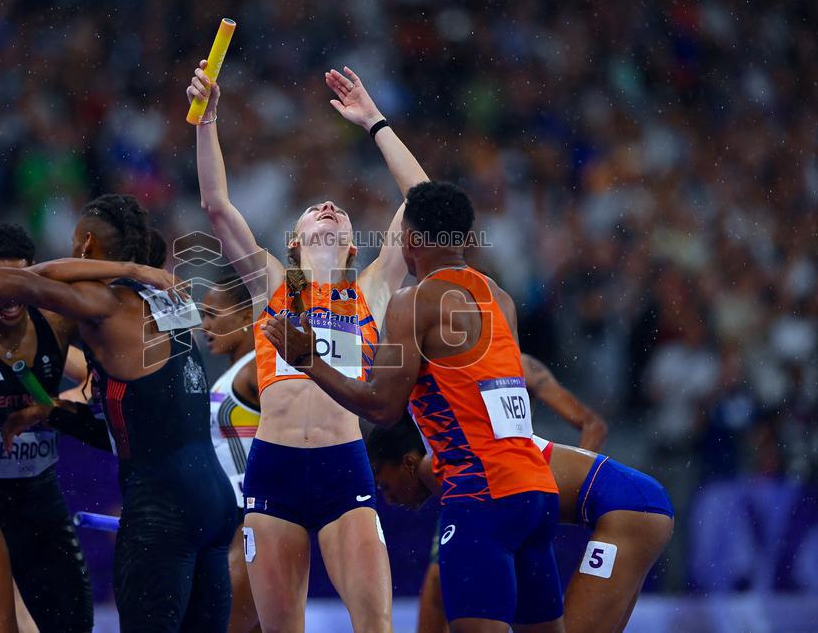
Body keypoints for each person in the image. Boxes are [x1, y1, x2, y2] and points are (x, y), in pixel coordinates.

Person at [0, 195, 239, 633]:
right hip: (210, 497)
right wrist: (53, 410)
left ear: (87, 245)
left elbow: (29, 281)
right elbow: (141, 410)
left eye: (76, 242)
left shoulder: (93, 307)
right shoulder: (161, 299)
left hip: (160, 503)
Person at [262, 181, 564, 633]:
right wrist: (375, 123)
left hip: (481, 493)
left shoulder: (406, 299)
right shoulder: (498, 296)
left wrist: (308, 361)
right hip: (535, 488)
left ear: (409, 241)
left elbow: (382, 410)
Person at [189, 62, 421, 632]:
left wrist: (375, 122)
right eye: (315, 209)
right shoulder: (273, 283)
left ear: (349, 242)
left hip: (345, 469)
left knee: (377, 625)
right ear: (293, 241)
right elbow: (217, 204)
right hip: (275, 472)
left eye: (338, 211)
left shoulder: (371, 288)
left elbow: (424, 200)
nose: (328, 207)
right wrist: (207, 120)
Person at [367, 415, 674, 633]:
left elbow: (439, 582)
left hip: (630, 508)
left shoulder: (442, 468)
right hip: (635, 502)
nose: (389, 499)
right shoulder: (468, 454)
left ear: (408, 462)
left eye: (384, 485)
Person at [0, 221, 94, 633]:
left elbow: (99, 385)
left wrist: (49, 408)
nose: (10, 297)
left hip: (40, 491)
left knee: (75, 618)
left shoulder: (54, 324)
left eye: (21, 281)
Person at [200, 273, 261, 633]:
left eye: (213, 314)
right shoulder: (230, 375)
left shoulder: (258, 368)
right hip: (229, 520)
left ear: (245, 316)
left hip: (253, 520)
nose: (205, 325)